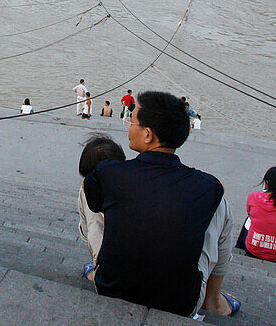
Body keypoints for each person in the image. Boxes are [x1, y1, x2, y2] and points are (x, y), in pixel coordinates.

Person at [84, 90, 239, 318]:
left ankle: (96, 267)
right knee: (220, 205)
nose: (128, 126)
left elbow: (95, 205)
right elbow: (214, 190)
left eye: (132, 121)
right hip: (180, 304)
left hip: (110, 288)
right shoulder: (207, 186)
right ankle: (213, 299)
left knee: (88, 190)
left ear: (148, 135)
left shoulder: (109, 173)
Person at [78, 135, 126, 281]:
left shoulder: (87, 192)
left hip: (114, 279)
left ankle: (94, 273)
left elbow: (92, 236)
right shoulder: (135, 187)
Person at [239, 167, 276, 264]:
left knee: (249, 220)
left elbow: (249, 213)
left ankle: (239, 247)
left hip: (253, 251)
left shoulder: (253, 197)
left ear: (266, 183)